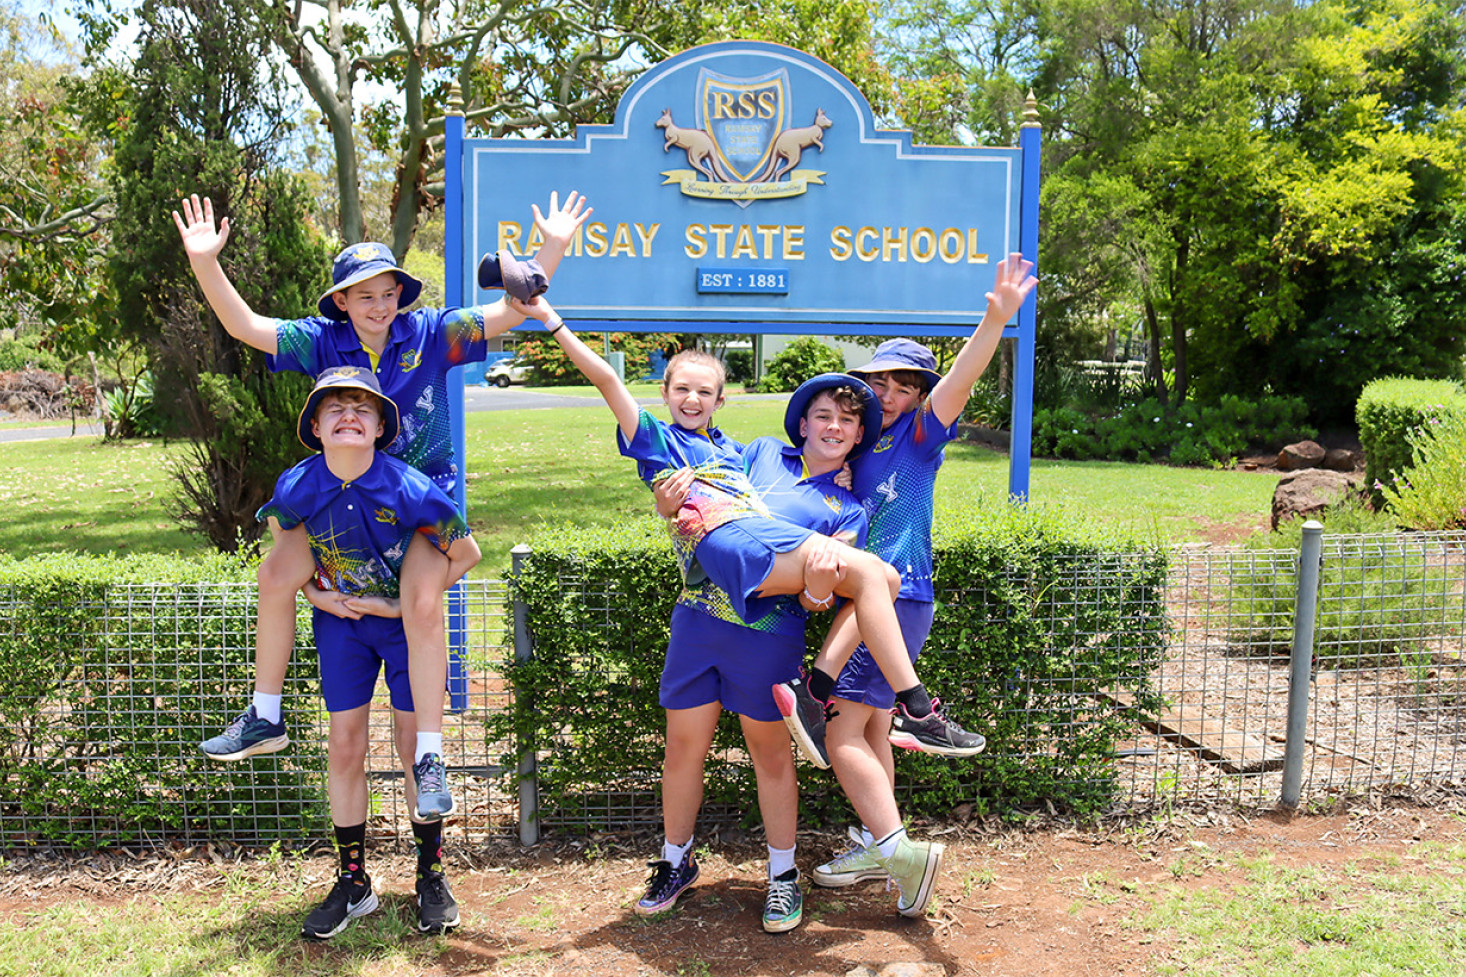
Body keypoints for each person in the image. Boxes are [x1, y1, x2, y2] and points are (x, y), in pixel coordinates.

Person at [180, 191, 590, 823]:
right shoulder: (321, 341)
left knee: (422, 605)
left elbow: (516, 306)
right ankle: (265, 713)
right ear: (341, 301)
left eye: (389, 291)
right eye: (364, 294)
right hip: (342, 492)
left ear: (403, 294)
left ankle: (428, 756)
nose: (380, 304)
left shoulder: (430, 333)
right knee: (274, 574)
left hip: (417, 501)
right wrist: (206, 262)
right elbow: (244, 325)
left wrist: (553, 248)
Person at [514, 297, 982, 764]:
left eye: (704, 393)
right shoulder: (657, 437)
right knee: (875, 576)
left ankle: (819, 692)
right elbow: (609, 380)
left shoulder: (737, 451)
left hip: (760, 558)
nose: (692, 401)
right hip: (735, 547)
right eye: (682, 390)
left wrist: (829, 499)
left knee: (885, 579)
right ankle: (914, 706)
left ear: (721, 401)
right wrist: (552, 320)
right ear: (663, 393)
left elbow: (794, 481)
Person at [779, 253, 1037, 894]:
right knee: (869, 730)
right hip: (863, 604)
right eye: (881, 383)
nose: (889, 394)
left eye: (904, 385)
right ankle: (877, 847)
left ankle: (901, 857)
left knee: (839, 736)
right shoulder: (857, 444)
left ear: (920, 395)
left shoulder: (919, 435)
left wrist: (995, 319)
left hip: (896, 599)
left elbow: (962, 379)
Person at [259, 366, 481, 939]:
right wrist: (316, 595)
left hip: (402, 626)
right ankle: (353, 881)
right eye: (334, 408)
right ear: (315, 425)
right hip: (343, 626)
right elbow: (286, 560)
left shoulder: (408, 487)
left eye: (362, 407)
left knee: (413, 745)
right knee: (345, 745)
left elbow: (467, 554)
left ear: (382, 426)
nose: (349, 416)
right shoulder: (299, 484)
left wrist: (404, 606)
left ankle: (430, 874)